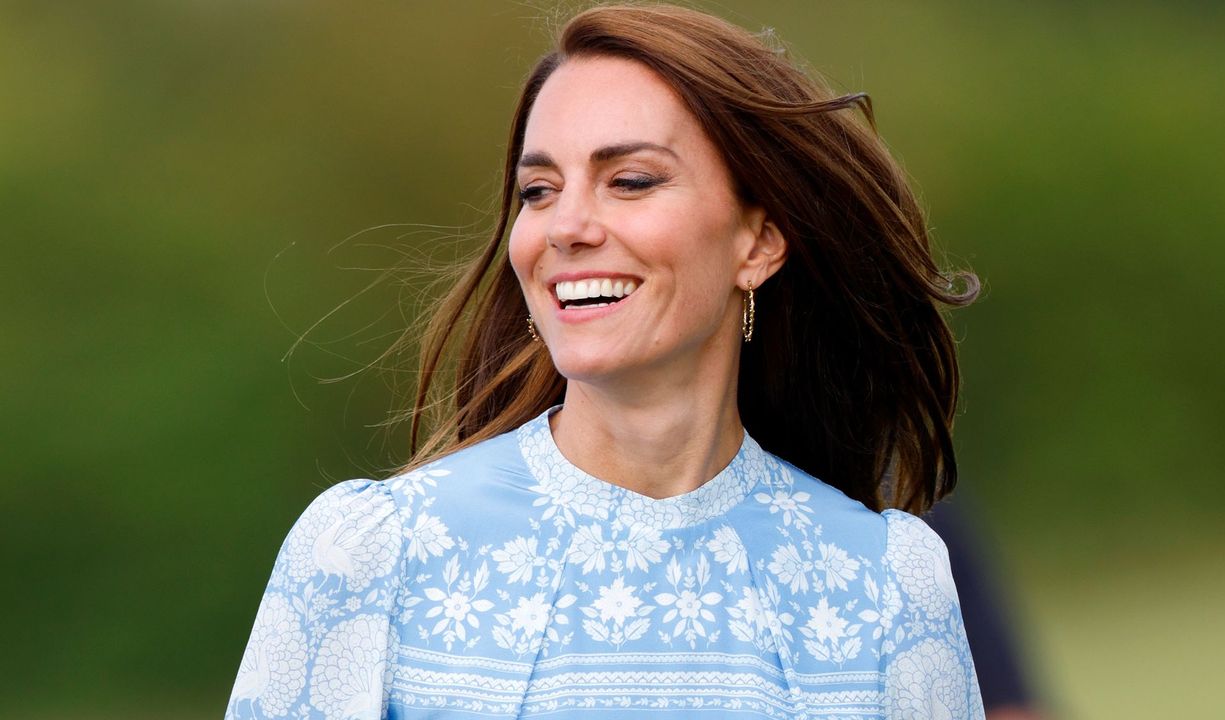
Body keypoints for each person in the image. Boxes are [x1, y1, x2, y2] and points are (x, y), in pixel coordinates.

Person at [226, 4, 984, 718]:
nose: (568, 227)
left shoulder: (888, 586)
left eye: (630, 181)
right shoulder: (371, 557)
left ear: (758, 242)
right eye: (539, 190)